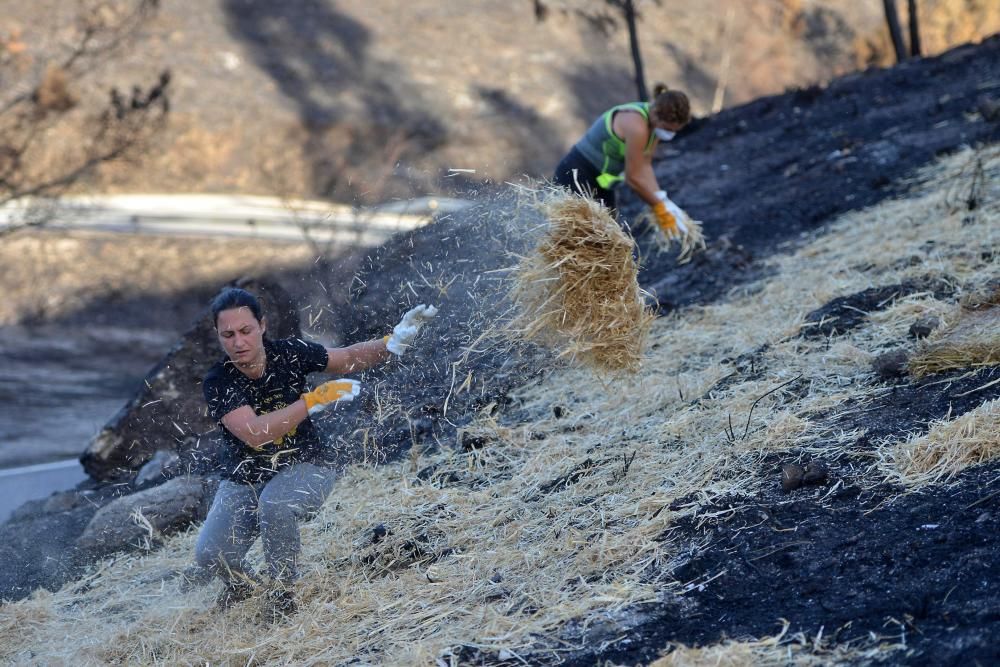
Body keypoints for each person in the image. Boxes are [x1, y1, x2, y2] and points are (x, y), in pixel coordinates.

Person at [194, 286, 437, 617]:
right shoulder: (218, 381)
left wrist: (392, 342)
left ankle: (282, 597)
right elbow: (254, 434)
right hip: (246, 477)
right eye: (229, 334)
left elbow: (347, 357)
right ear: (218, 336)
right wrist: (312, 400)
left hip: (308, 464)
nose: (238, 342)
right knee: (211, 553)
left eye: (246, 331)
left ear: (262, 326)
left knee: (276, 505)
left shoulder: (289, 353)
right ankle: (246, 591)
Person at [553, 84, 692, 240]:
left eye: (674, 131)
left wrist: (663, 199)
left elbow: (644, 165)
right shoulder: (636, 126)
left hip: (601, 182)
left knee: (609, 239)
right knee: (578, 238)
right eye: (668, 129)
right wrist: (659, 209)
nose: (670, 134)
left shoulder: (654, 127)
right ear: (655, 113)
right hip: (576, 174)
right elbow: (633, 177)